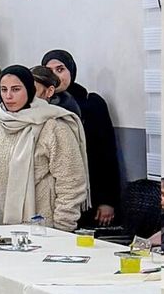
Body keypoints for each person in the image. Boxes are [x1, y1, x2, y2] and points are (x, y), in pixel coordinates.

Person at [0, 66, 89, 231]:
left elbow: (71, 181)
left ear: (29, 90)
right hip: (6, 225)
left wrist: (63, 227)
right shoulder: (1, 124)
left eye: (16, 89)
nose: (8, 96)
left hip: (46, 227)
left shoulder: (54, 126)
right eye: (4, 89)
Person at [42, 49, 120, 226]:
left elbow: (106, 153)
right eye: (49, 71)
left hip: (89, 190)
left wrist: (107, 200)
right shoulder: (40, 105)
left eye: (60, 69)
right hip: (51, 194)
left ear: (71, 71)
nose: (55, 76)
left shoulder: (91, 103)